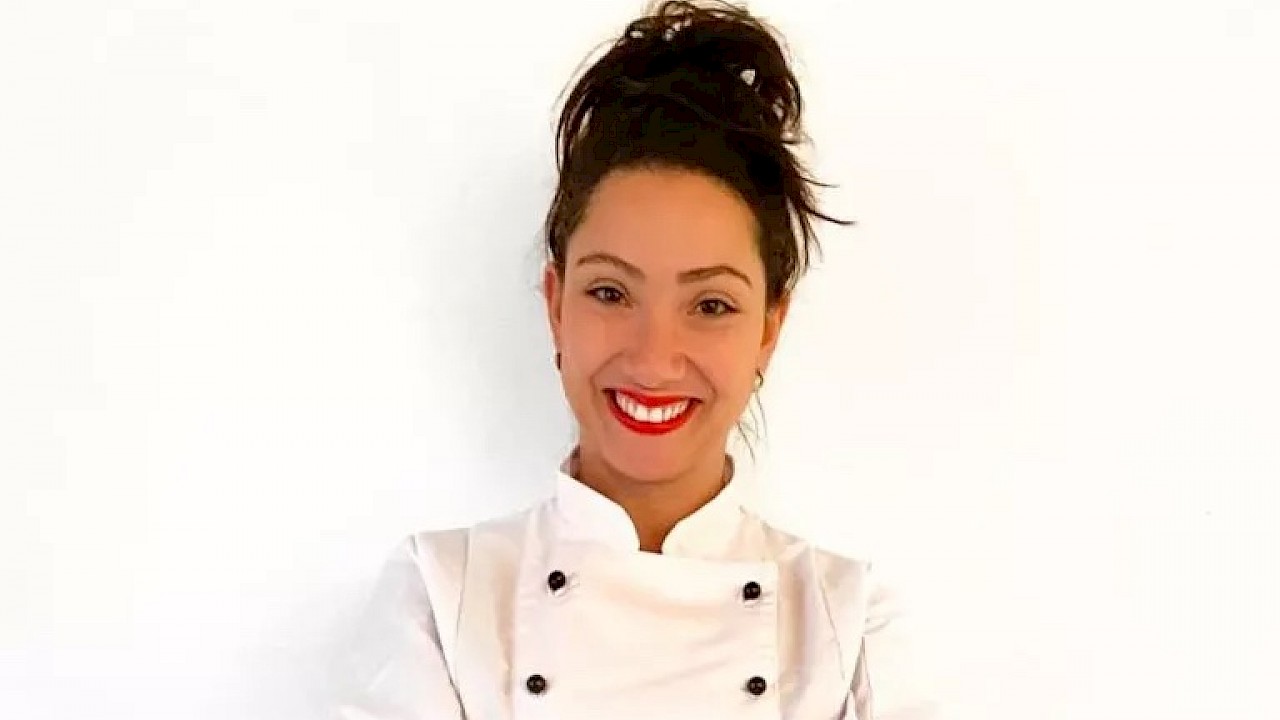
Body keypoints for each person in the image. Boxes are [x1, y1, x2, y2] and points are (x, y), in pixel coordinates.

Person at [333, 1, 937, 718]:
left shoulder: (848, 625)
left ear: (769, 329)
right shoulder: (441, 600)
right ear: (555, 305)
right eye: (610, 292)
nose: (654, 360)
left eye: (710, 304)